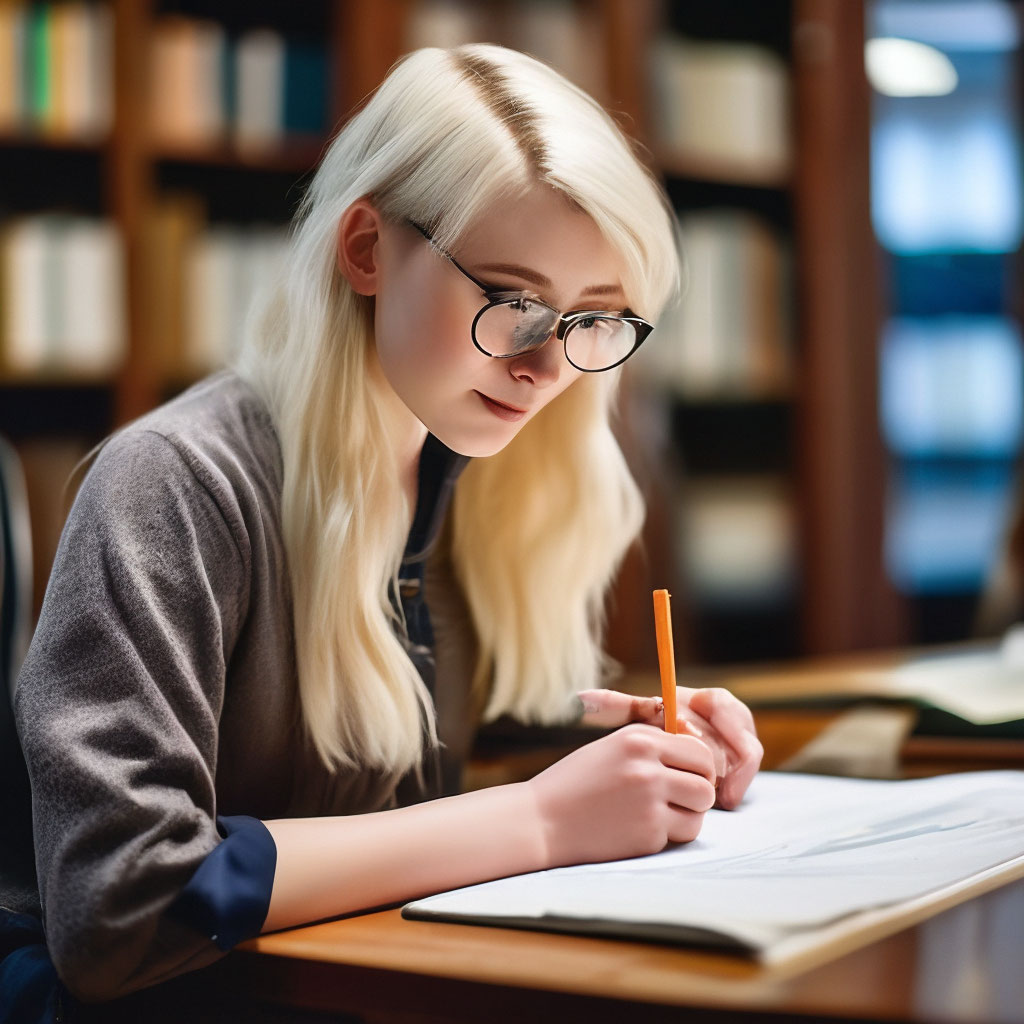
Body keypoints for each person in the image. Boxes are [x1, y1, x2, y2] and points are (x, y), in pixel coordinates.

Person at [1, 43, 762, 1019]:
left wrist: (643, 740)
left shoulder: (468, 460)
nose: (547, 367)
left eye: (593, 318)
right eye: (512, 301)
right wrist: (539, 816)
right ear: (365, 250)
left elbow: (420, 758)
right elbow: (126, 908)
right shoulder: (173, 485)